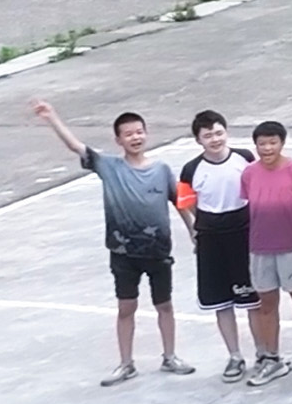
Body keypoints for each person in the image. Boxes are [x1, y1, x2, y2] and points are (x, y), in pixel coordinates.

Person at [35, 99, 185, 384]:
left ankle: (170, 357)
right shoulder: (108, 166)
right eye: (128, 134)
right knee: (126, 308)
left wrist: (194, 231)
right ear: (118, 140)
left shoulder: (162, 169)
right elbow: (75, 146)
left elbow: (179, 202)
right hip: (123, 253)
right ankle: (126, 364)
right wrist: (52, 116)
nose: (135, 137)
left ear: (146, 133)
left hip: (158, 251)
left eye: (139, 132)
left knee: (164, 305)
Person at [172, 111, 257, 382]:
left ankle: (265, 354)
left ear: (226, 132)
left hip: (244, 234)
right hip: (211, 239)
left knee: (253, 299)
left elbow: (256, 190)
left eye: (219, 133)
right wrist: (200, 227)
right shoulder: (191, 169)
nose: (215, 139)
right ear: (199, 140)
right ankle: (235, 356)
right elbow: (187, 203)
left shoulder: (245, 158)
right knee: (222, 302)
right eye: (208, 135)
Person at [240, 121, 292, 383]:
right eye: (262, 144)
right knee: (267, 305)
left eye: (272, 143)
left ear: (282, 143)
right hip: (260, 248)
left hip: (291, 248)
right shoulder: (249, 173)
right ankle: (272, 359)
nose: (267, 148)